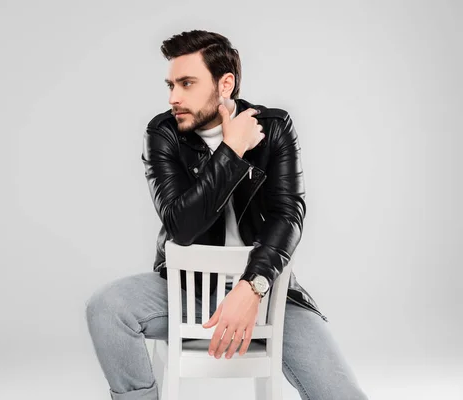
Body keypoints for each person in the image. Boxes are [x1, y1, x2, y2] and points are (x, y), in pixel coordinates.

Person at [85, 29, 368, 400]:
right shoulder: (163, 134)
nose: (173, 98)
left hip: (266, 294)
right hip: (185, 292)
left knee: (342, 394)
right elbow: (180, 226)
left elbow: (288, 218)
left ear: (225, 84)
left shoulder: (275, 127)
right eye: (170, 84)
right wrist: (232, 149)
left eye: (187, 83)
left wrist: (253, 287)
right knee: (106, 308)